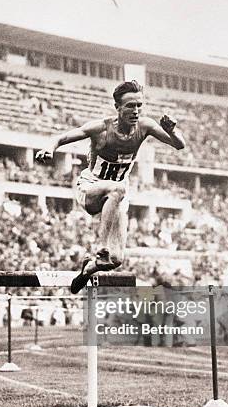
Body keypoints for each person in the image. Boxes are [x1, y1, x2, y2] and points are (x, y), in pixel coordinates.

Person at [36, 80, 186, 292]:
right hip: (91, 188)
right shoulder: (101, 128)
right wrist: (49, 149)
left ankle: (88, 268)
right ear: (118, 108)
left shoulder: (145, 126)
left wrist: (172, 131)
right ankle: (101, 247)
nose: (135, 111)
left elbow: (179, 145)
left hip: (117, 198)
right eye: (130, 106)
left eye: (139, 106)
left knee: (116, 260)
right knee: (117, 188)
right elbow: (63, 137)